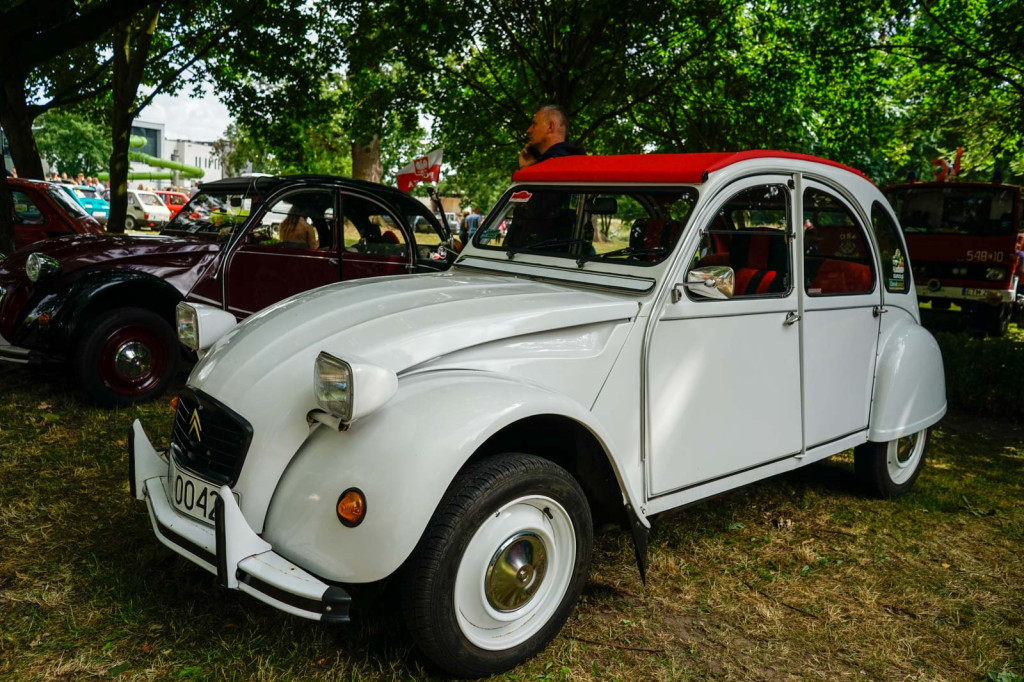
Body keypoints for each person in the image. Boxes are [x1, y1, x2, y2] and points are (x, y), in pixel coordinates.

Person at [517, 105, 586, 169]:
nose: (528, 130)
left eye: (534, 124)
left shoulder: (549, 168)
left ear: (550, 127)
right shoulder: (581, 164)